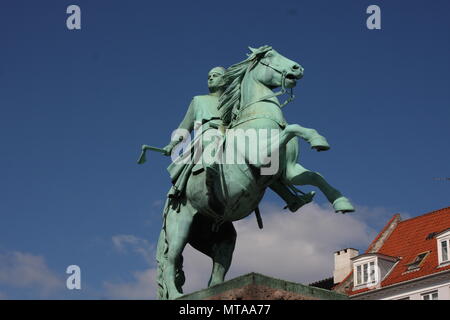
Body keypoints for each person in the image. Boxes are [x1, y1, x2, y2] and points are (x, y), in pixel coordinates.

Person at [163, 66, 312, 212]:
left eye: (215, 75)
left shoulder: (236, 102)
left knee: (261, 163)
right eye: (209, 76)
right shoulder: (198, 100)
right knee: (211, 140)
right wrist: (172, 144)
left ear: (224, 80)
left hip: (231, 134)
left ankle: (291, 198)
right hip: (208, 134)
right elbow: (185, 126)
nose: (210, 78)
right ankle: (194, 179)